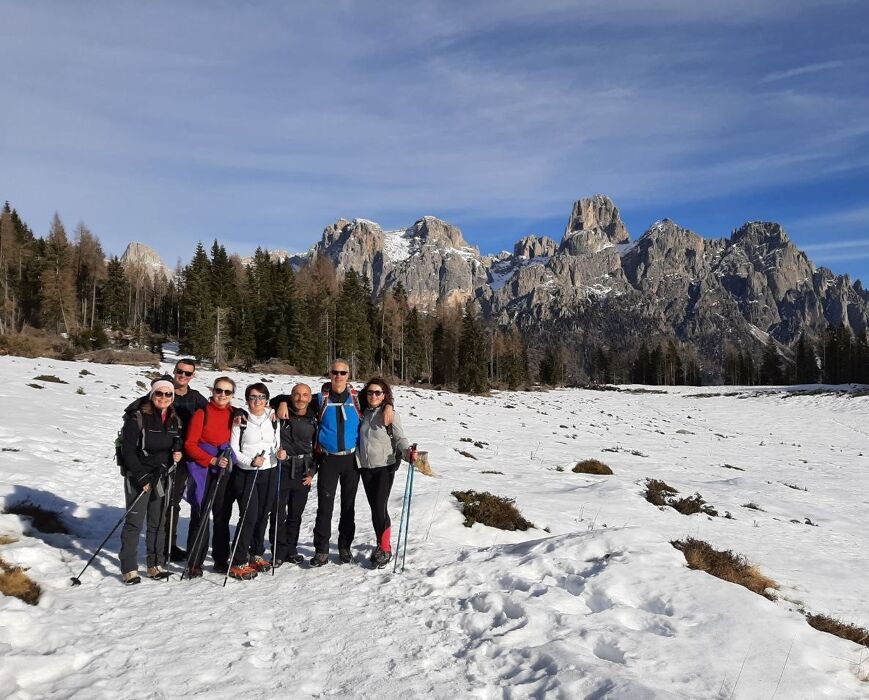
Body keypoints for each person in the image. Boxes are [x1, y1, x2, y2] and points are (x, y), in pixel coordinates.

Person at [118, 375, 183, 584]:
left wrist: (177, 453)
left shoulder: (174, 418)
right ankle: (129, 567)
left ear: (172, 397)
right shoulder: (137, 417)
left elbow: (175, 443)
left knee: (157, 522)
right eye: (159, 393)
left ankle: (156, 564)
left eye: (168, 394)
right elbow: (128, 451)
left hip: (162, 477)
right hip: (140, 476)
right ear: (152, 393)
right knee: (134, 523)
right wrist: (141, 476)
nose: (163, 397)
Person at [357, 377, 416, 568]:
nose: (373, 396)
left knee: (379, 508)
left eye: (378, 393)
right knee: (375, 508)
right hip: (365, 467)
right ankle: (380, 543)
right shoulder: (363, 411)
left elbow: (400, 438)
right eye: (370, 392)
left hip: (384, 467)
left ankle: (385, 548)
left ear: (384, 396)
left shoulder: (390, 414)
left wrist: (408, 452)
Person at [183, 376, 239, 577]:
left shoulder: (235, 414)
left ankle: (221, 559)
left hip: (225, 469)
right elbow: (190, 444)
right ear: (213, 391)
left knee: (222, 515)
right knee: (200, 513)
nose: (222, 395)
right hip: (204, 469)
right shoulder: (202, 413)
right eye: (219, 390)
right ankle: (194, 561)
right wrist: (211, 460)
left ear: (232, 395)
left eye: (227, 392)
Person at [225, 382, 279, 580]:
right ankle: (238, 560)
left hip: (270, 470)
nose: (258, 401)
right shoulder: (241, 419)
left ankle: (256, 553)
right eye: (253, 397)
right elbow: (234, 449)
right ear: (247, 399)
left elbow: (276, 442)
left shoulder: (273, 418)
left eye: (262, 397)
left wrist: (280, 453)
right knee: (249, 515)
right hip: (247, 473)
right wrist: (250, 461)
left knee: (264, 514)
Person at [164, 358, 208, 562]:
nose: (183, 376)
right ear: (174, 371)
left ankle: (194, 546)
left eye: (188, 373)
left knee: (197, 499)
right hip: (170, 456)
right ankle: (167, 546)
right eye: (180, 371)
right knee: (171, 502)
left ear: (193, 376)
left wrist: (238, 413)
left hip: (192, 455)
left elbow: (214, 413)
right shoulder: (164, 392)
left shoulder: (196, 398)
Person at [272, 383, 318, 567]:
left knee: (295, 514)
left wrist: (312, 471)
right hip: (282, 469)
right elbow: (272, 399)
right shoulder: (281, 411)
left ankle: (291, 549)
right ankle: (278, 550)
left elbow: (318, 448)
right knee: (277, 513)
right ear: (291, 396)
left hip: (303, 470)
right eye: (296, 395)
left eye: (305, 395)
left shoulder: (315, 416)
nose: (300, 398)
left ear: (310, 398)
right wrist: (282, 401)